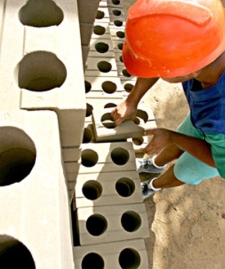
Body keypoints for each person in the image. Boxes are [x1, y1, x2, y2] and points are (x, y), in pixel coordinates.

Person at [111, 0, 225, 200]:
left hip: (218, 146)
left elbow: (217, 159)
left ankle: (155, 184)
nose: (157, 73)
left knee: (185, 170)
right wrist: (132, 101)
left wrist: (171, 137)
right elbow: (163, 56)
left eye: (161, 71)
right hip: (207, 121)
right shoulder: (210, 36)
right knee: (183, 136)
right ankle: (155, 164)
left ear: (190, 70)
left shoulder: (219, 113)